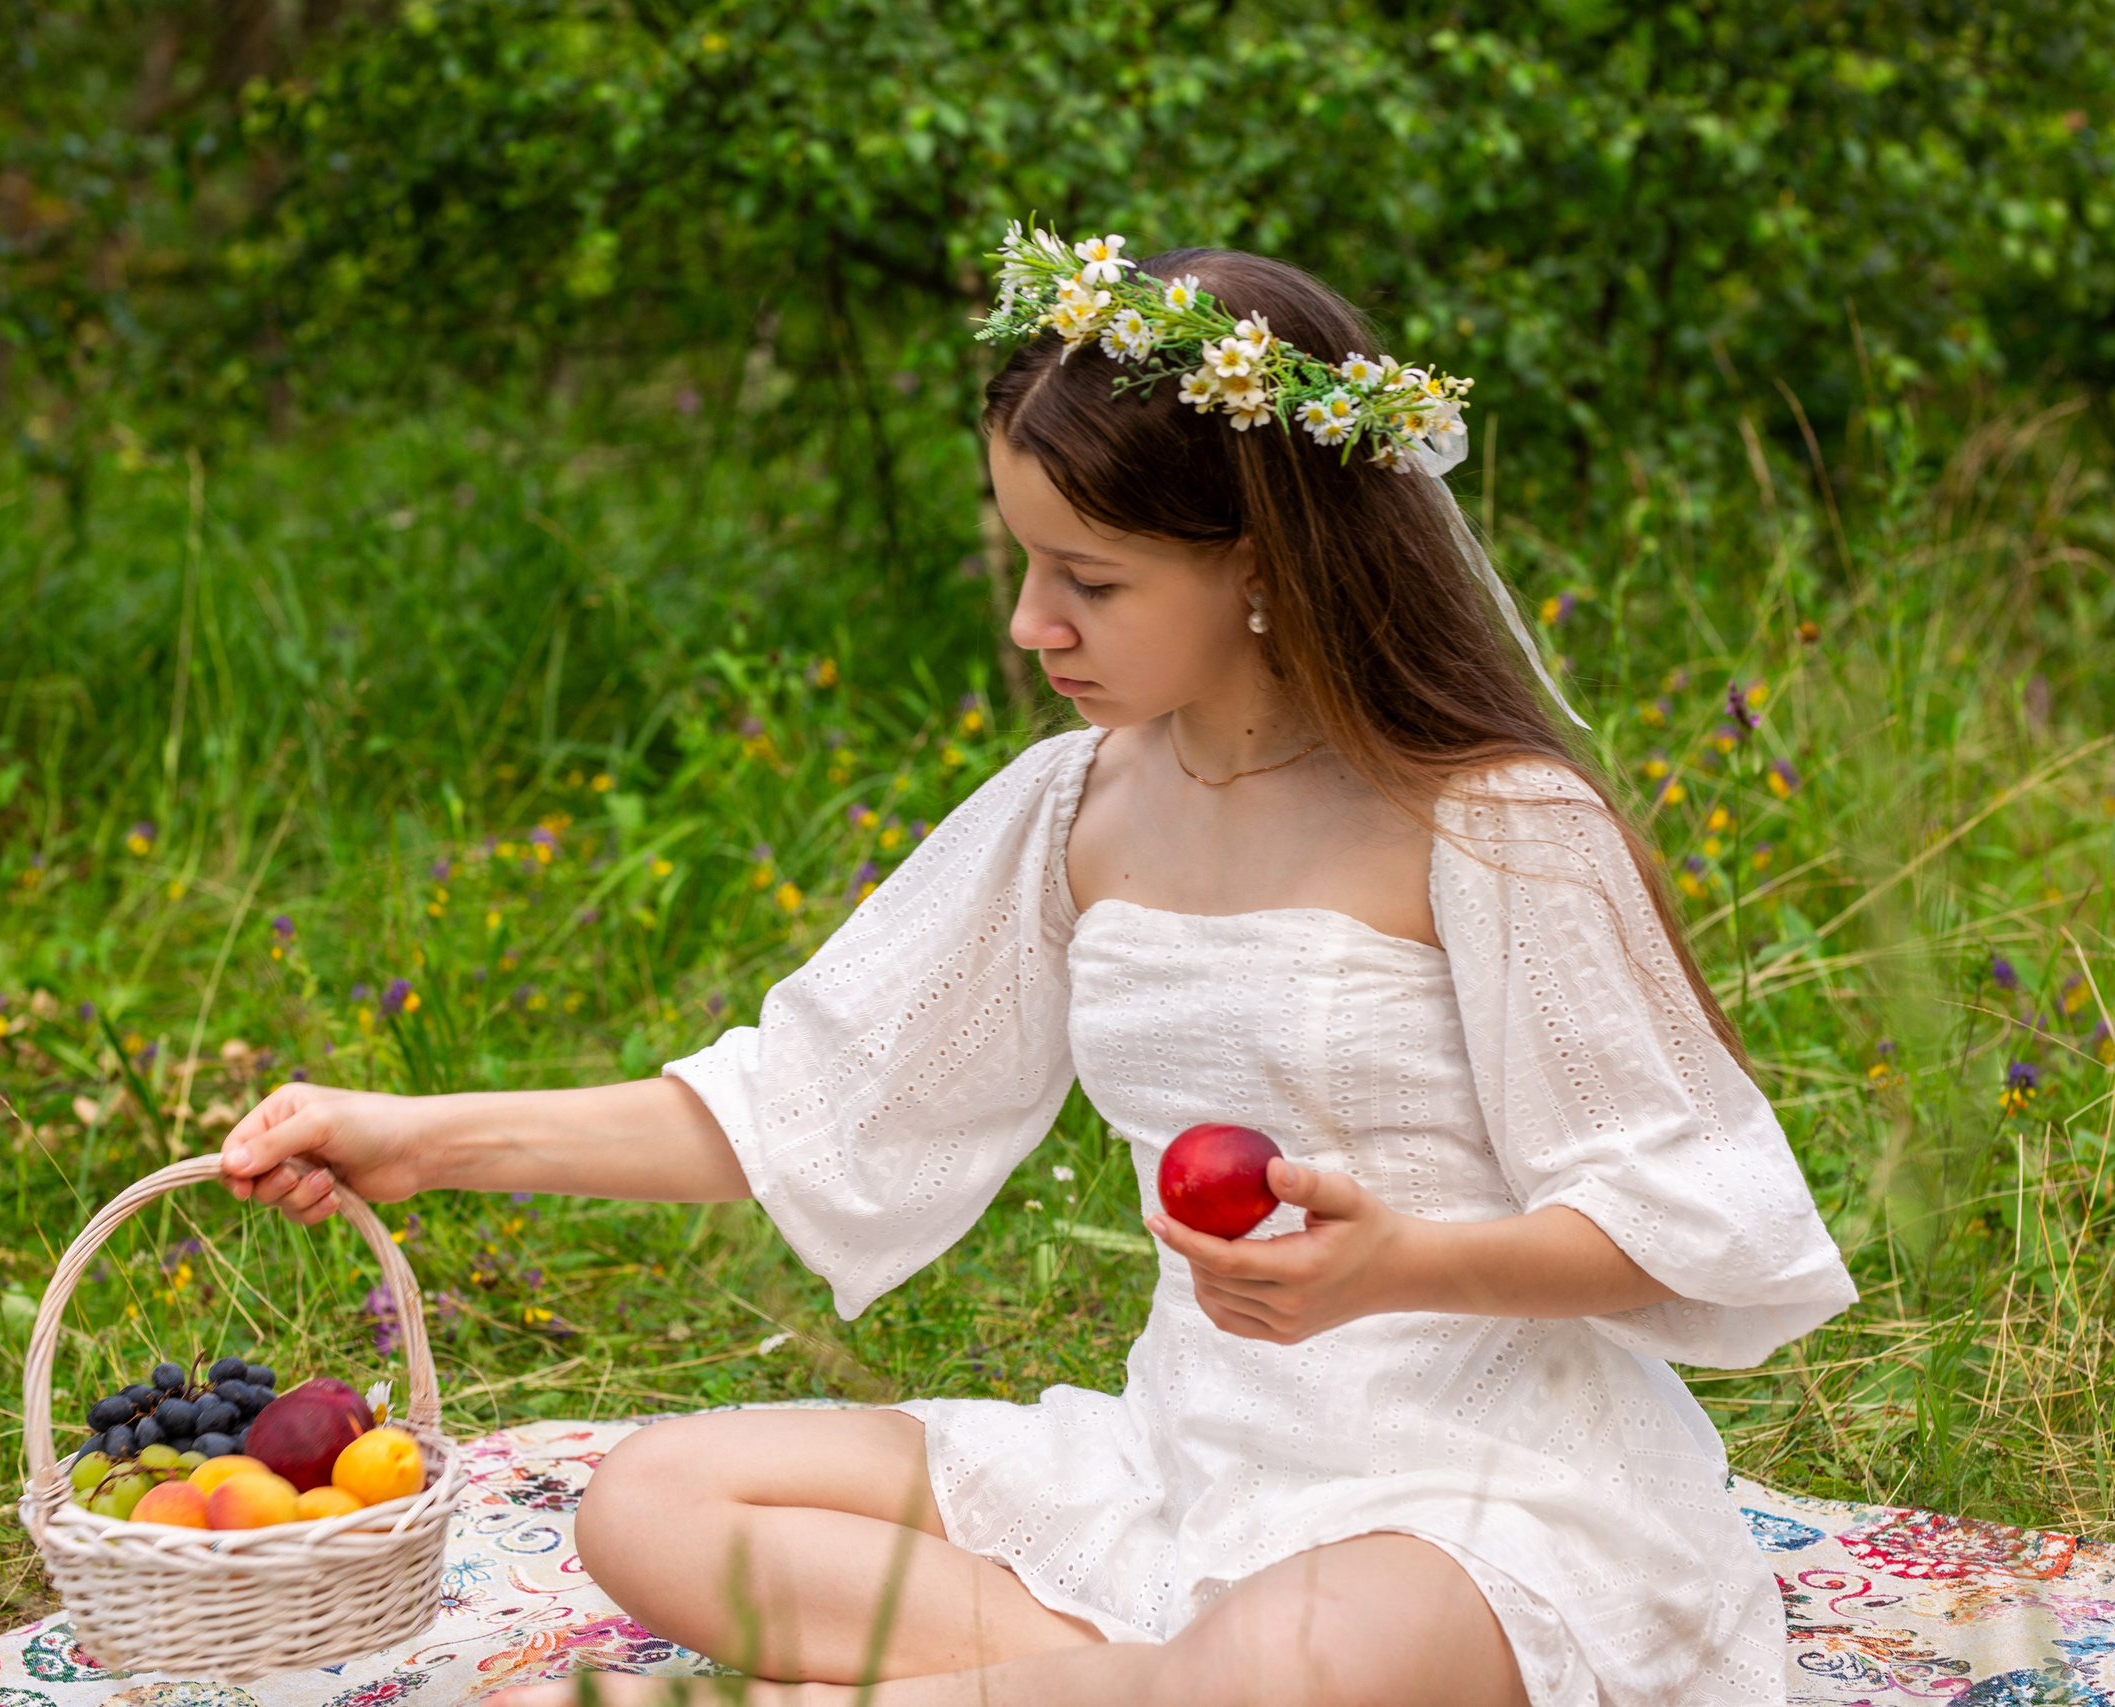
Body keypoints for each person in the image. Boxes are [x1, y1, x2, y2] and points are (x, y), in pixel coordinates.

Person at [217, 233, 1856, 1707]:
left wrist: (1397, 1264)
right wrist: (416, 1137)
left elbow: (1692, 1221)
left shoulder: (1493, 827)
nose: (1029, 623)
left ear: (1264, 562)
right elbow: (806, 1102)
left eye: (1090, 580)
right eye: (1025, 561)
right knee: (652, 1503)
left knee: (1292, 1666)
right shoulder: (1079, 811)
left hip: (1479, 1500)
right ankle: (1136, 1681)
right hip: (1188, 1462)